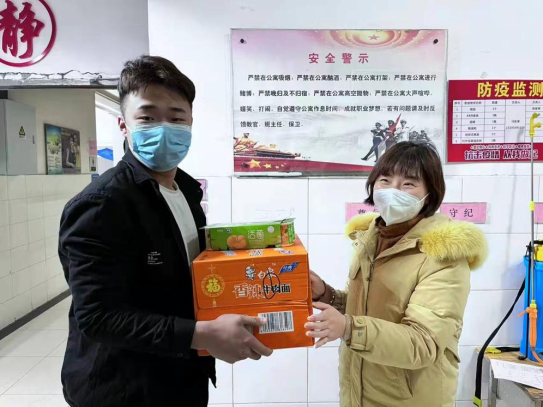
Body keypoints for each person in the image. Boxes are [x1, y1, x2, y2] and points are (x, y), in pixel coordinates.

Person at [59, 56, 273, 407]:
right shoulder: (102, 204)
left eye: (176, 118)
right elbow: (98, 317)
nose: (163, 129)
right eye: (147, 117)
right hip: (123, 387)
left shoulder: (186, 191)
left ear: (190, 123)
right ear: (124, 125)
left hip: (180, 374)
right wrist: (200, 334)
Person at [307, 141, 488, 407]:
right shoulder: (369, 239)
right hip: (359, 394)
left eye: (408, 184)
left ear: (430, 194)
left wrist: (349, 328)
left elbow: (423, 343)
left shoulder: (443, 255)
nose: (393, 191)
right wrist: (327, 294)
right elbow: (370, 309)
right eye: (385, 180)